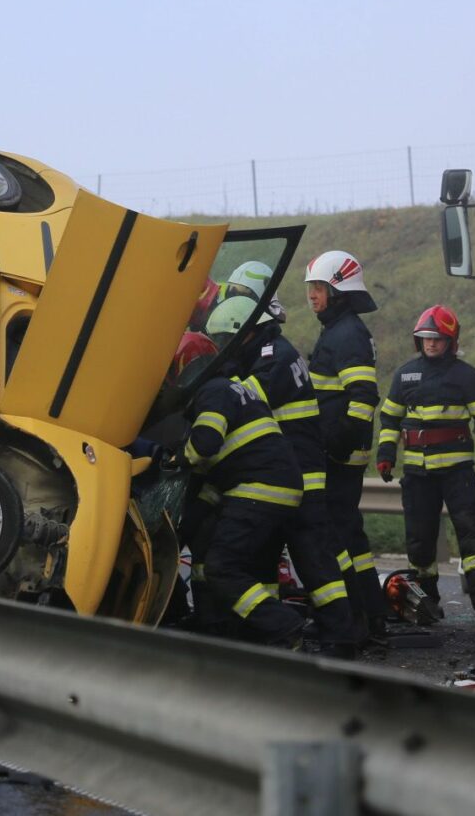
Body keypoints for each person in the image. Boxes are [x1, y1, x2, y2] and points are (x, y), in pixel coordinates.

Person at [207, 297, 357, 657]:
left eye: (225, 340)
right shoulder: (271, 350)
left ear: (246, 333)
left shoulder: (273, 356)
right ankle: (273, 635)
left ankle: (340, 638)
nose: (221, 349)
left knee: (315, 560)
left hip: (300, 474)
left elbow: (242, 400)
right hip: (288, 471)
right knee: (265, 558)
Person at [175, 335, 308, 648]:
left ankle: (284, 625)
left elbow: (205, 444)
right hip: (270, 488)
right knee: (249, 568)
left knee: (222, 568)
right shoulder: (234, 389)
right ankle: (235, 630)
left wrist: (178, 458)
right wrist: (184, 530)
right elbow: (214, 481)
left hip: (258, 490)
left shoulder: (212, 391)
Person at [377, 305, 475, 621]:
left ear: (451, 341)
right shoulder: (405, 374)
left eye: (438, 339)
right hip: (417, 473)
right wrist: (385, 455)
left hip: (458, 471)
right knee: (419, 541)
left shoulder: (466, 376)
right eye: (426, 338)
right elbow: (390, 418)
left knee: (470, 533)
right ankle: (426, 600)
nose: (431, 344)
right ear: (417, 341)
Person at [302, 250, 389, 634]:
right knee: (349, 534)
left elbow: (363, 398)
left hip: (339, 454)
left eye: (319, 288)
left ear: (338, 291)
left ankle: (353, 616)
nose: (312, 295)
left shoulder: (347, 334)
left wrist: (336, 445)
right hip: (341, 451)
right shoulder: (339, 330)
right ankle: (371, 612)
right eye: (311, 288)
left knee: (333, 534)